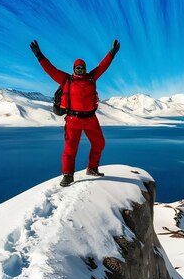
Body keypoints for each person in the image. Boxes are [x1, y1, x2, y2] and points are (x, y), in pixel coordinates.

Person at [30, 39, 120, 187]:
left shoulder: (92, 77)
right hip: (73, 120)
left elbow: (102, 66)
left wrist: (112, 53)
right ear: (73, 69)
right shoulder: (66, 80)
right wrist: (39, 55)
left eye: (82, 68)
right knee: (70, 149)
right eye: (77, 68)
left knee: (99, 144)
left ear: (85, 69)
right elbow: (50, 69)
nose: (80, 70)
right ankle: (67, 175)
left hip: (91, 118)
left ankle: (92, 168)